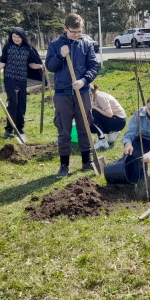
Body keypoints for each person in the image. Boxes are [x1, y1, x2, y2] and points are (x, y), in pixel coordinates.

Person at [45, 14, 99, 178]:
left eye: (79, 31)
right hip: (62, 93)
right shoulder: (55, 45)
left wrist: (84, 80)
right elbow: (49, 67)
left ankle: (86, 161)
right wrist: (60, 55)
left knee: (84, 127)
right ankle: (64, 166)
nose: (77, 35)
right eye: (74, 32)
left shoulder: (87, 44)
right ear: (65, 29)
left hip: (81, 93)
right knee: (64, 130)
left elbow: (94, 66)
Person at [0, 27, 45, 138]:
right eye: (14, 37)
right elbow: (2, 63)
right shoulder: (8, 47)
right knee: (13, 102)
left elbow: (31, 64)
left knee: (22, 103)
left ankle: (20, 128)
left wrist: (40, 66)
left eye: (18, 37)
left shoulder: (28, 48)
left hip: (22, 79)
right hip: (10, 78)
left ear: (23, 37)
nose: (16, 39)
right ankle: (9, 129)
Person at [89, 83, 127, 149]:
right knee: (89, 125)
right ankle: (112, 132)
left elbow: (109, 114)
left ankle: (102, 141)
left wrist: (94, 107)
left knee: (92, 113)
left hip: (119, 121)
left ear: (90, 93)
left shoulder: (100, 97)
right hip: (115, 120)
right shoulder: (94, 96)